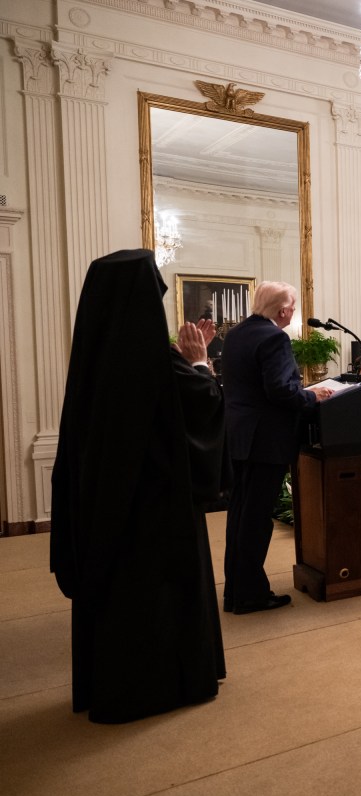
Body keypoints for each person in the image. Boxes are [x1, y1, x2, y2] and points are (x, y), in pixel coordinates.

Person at [50, 248, 228, 723]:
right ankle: (161, 686)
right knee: (156, 602)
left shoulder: (92, 359)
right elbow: (202, 409)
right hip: (157, 510)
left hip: (106, 509)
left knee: (117, 598)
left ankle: (109, 685)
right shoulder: (155, 364)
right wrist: (200, 362)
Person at [222, 281, 333, 615]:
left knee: (240, 516)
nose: (294, 312)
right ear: (283, 310)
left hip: (241, 438)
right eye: (293, 307)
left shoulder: (237, 334)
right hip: (265, 441)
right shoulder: (274, 337)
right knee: (256, 520)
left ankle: (237, 591)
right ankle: (250, 595)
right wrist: (312, 395)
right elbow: (281, 391)